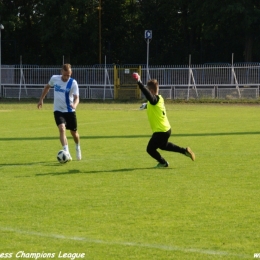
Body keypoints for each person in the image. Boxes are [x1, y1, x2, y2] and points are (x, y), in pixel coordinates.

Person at [132, 72, 195, 167]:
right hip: (166, 129)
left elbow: (150, 98)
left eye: (149, 91)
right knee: (163, 146)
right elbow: (153, 104)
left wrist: (139, 82)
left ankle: (163, 163)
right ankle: (184, 151)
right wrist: (146, 106)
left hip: (160, 131)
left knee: (150, 149)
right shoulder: (159, 99)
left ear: (151, 91)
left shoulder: (154, 100)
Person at [37, 63, 81, 161]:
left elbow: (77, 97)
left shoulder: (73, 83)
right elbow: (47, 87)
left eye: (68, 75)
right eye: (65, 75)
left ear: (71, 73)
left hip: (70, 110)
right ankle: (67, 152)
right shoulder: (54, 78)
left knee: (74, 133)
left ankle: (77, 146)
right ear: (61, 72)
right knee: (62, 129)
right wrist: (41, 99)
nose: (66, 77)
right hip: (58, 110)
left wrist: (74, 105)